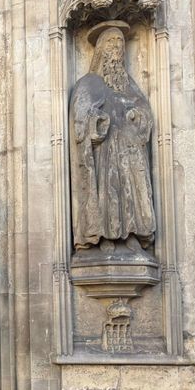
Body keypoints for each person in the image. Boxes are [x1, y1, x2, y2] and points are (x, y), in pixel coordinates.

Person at [70, 22, 156, 257]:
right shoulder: (90, 82)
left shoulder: (129, 85)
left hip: (129, 153)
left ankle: (130, 235)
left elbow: (144, 111)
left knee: (129, 191)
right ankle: (104, 236)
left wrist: (137, 116)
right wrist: (95, 123)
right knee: (107, 191)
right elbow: (80, 116)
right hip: (105, 152)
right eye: (111, 42)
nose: (117, 46)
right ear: (101, 49)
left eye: (120, 42)